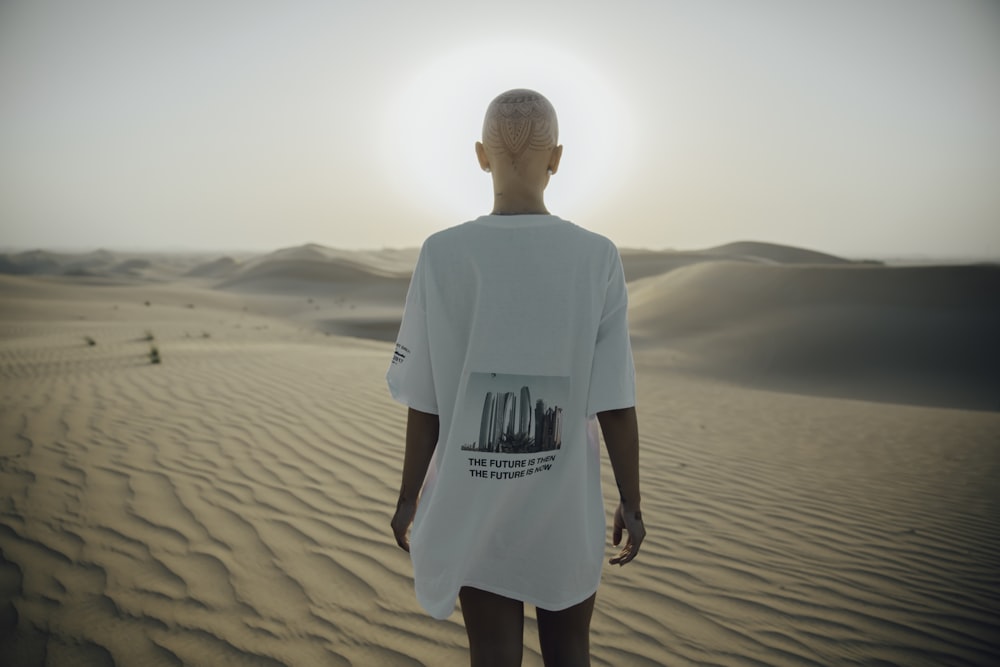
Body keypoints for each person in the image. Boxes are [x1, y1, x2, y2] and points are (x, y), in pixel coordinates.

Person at [387, 88, 644, 667]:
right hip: (565, 505)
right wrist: (631, 500)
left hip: (473, 500)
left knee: (494, 656)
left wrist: (408, 498)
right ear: (557, 157)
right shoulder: (597, 256)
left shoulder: (442, 253)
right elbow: (616, 399)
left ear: (481, 155)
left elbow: (424, 395)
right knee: (569, 652)